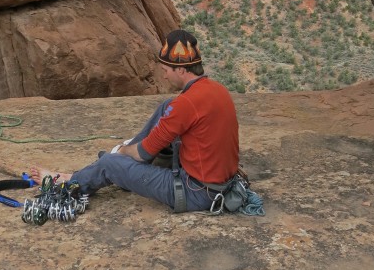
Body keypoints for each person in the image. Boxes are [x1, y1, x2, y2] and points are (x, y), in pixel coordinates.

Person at [30, 29, 240, 212]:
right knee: (167, 106)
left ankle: (71, 182)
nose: (165, 77)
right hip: (218, 184)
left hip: (195, 192)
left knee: (110, 163)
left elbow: (143, 153)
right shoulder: (217, 90)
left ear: (181, 70)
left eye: (166, 70)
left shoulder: (186, 104)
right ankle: (119, 169)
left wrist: (123, 151)